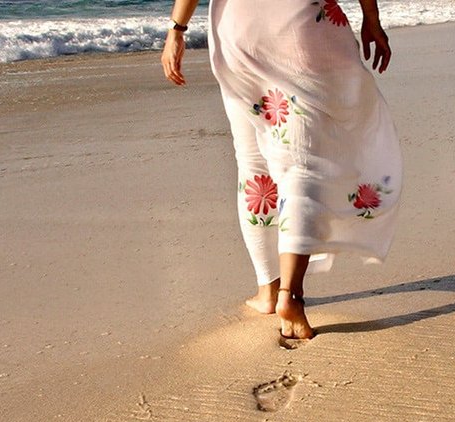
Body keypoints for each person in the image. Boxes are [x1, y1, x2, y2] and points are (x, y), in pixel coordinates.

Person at [162, 0, 402, 342]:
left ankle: (268, 290)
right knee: (302, 164)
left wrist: (177, 30)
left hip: (238, 33)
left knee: (253, 163)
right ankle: (291, 294)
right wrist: (371, 18)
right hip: (300, 27)